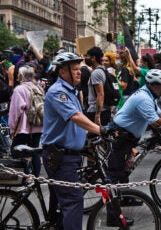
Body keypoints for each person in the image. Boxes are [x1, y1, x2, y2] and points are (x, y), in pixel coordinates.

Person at [41, 52, 108, 229]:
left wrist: (88, 140)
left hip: (69, 155)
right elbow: (76, 117)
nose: (79, 72)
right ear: (63, 72)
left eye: (79, 69)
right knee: (73, 201)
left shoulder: (71, 92)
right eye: (75, 69)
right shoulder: (58, 92)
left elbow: (75, 125)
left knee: (64, 202)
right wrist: (100, 130)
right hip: (60, 156)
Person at [109, 68, 161, 186]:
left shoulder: (149, 94)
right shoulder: (144, 98)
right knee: (116, 170)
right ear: (156, 86)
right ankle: (113, 201)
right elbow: (156, 122)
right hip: (121, 133)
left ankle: (125, 196)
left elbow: (160, 113)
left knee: (124, 168)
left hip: (128, 134)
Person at [8, 65, 43, 176]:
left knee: (16, 151)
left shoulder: (19, 89)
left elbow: (15, 111)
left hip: (23, 128)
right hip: (38, 126)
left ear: (21, 76)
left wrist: (13, 128)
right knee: (35, 152)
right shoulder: (38, 88)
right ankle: (36, 179)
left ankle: (25, 175)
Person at [85, 46, 111, 126]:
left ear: (93, 58)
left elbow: (100, 94)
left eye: (87, 56)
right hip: (103, 110)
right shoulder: (102, 70)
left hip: (97, 111)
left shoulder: (96, 73)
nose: (86, 58)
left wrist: (97, 115)